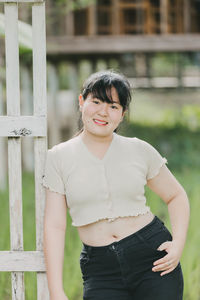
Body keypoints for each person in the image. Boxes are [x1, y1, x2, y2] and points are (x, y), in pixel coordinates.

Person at [42, 70, 190, 300]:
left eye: (113, 106)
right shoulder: (58, 157)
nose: (103, 112)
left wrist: (178, 243)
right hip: (101, 270)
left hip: (152, 259)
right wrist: (56, 291)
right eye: (97, 101)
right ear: (82, 102)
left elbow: (176, 196)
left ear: (122, 115)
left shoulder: (139, 150)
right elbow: (54, 225)